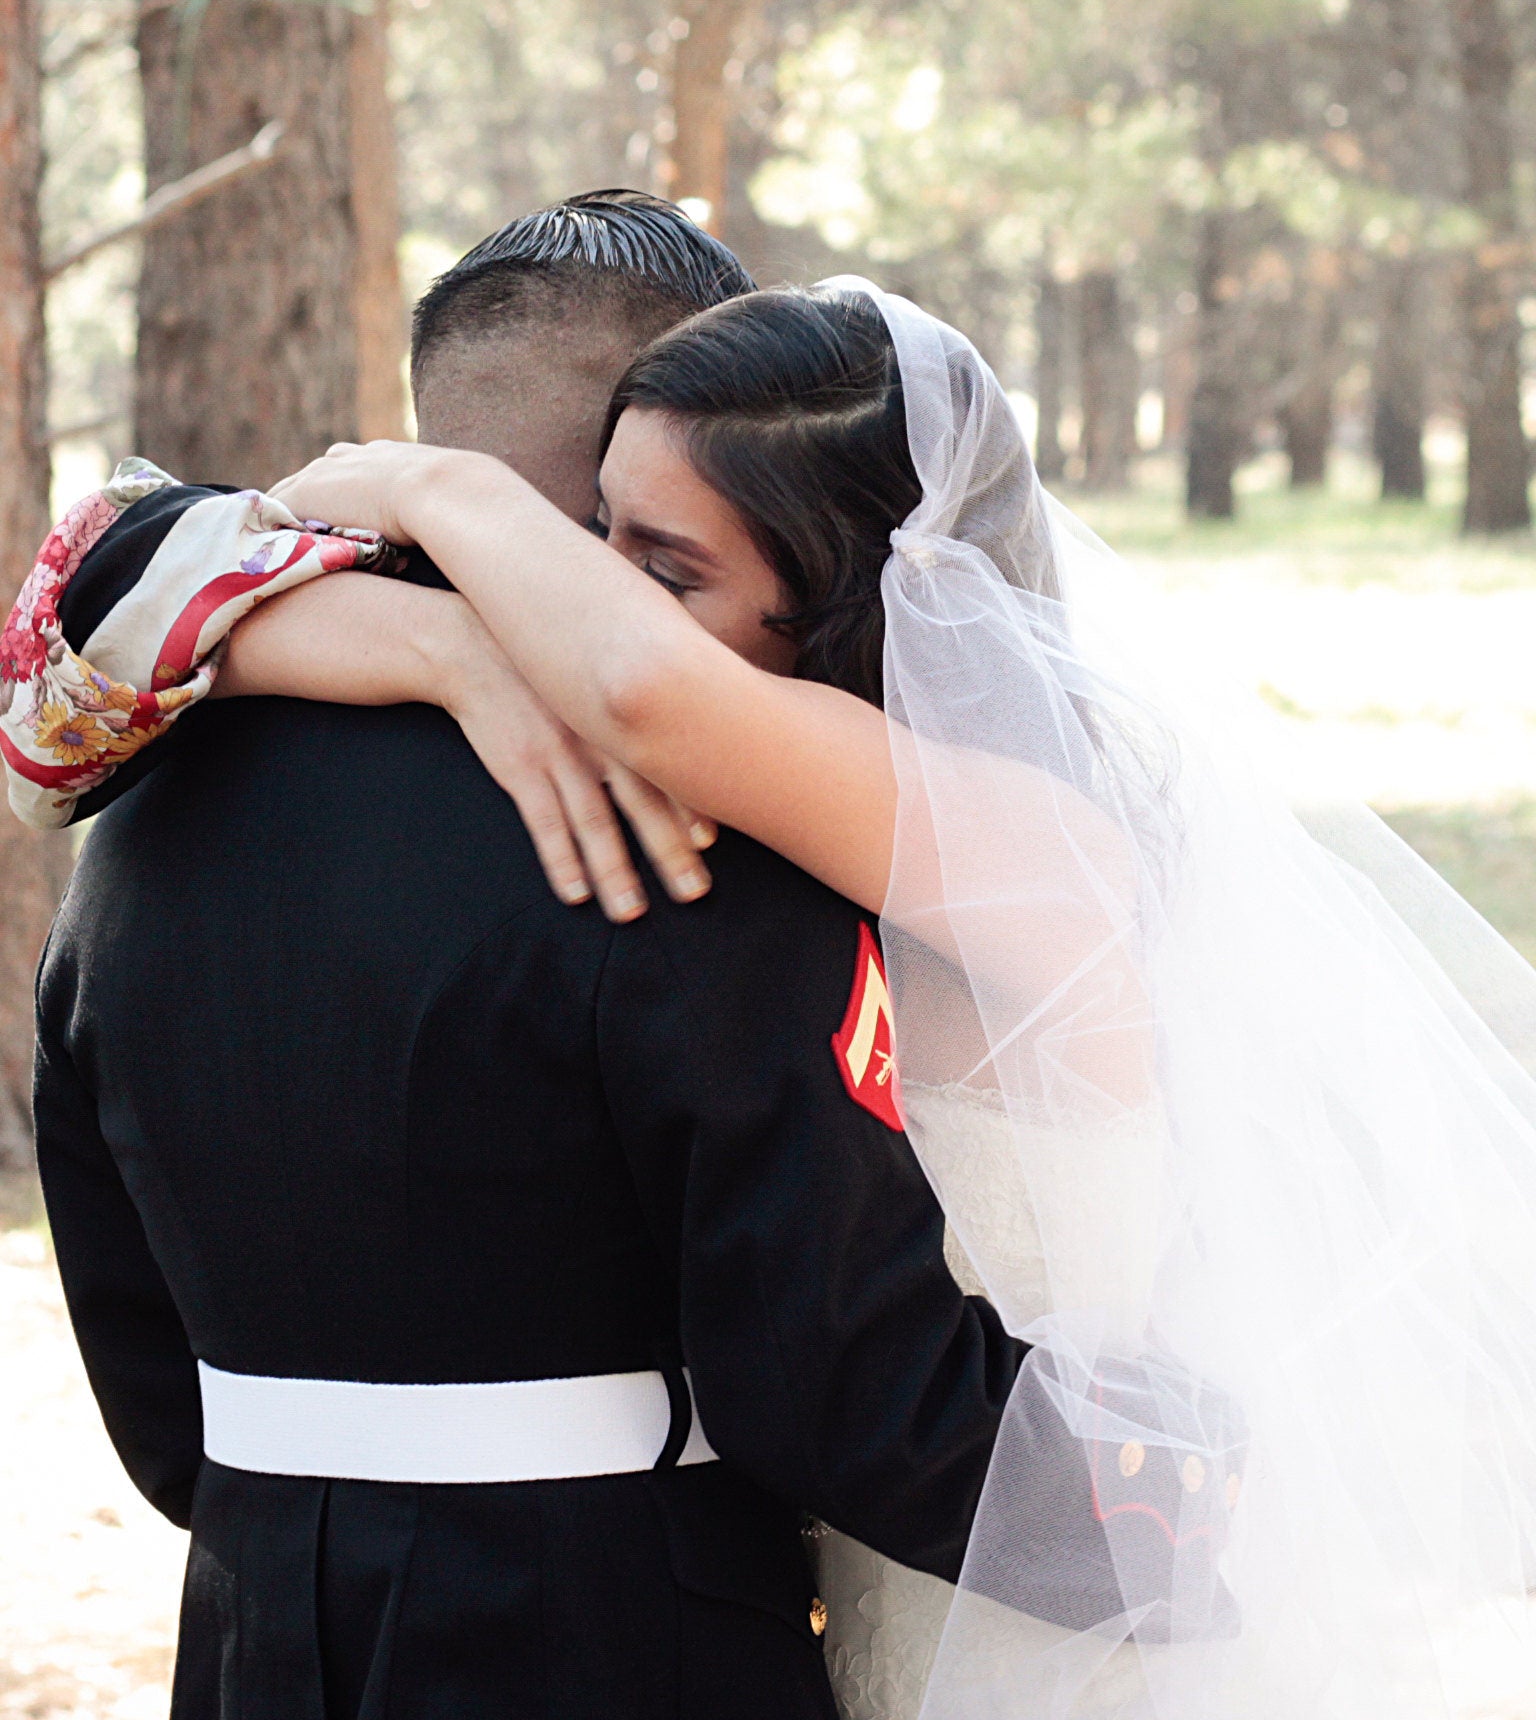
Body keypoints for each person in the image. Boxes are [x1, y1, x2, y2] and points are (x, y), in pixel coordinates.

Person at [26, 269, 1536, 1719]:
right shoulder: (757, 839)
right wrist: (427, 636)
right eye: (592, 539)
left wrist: (439, 502)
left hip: (1054, 1570)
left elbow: (640, 690)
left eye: (657, 567)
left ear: (852, 601)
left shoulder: (998, 827)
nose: (583, 604)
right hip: (884, 1554)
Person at [11, 196, 1054, 1720]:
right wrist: (1193, 1512)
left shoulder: (149, 798)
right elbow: (842, 1387)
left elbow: (134, 1332)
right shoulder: (688, 832)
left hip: (252, 1623)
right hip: (621, 1625)